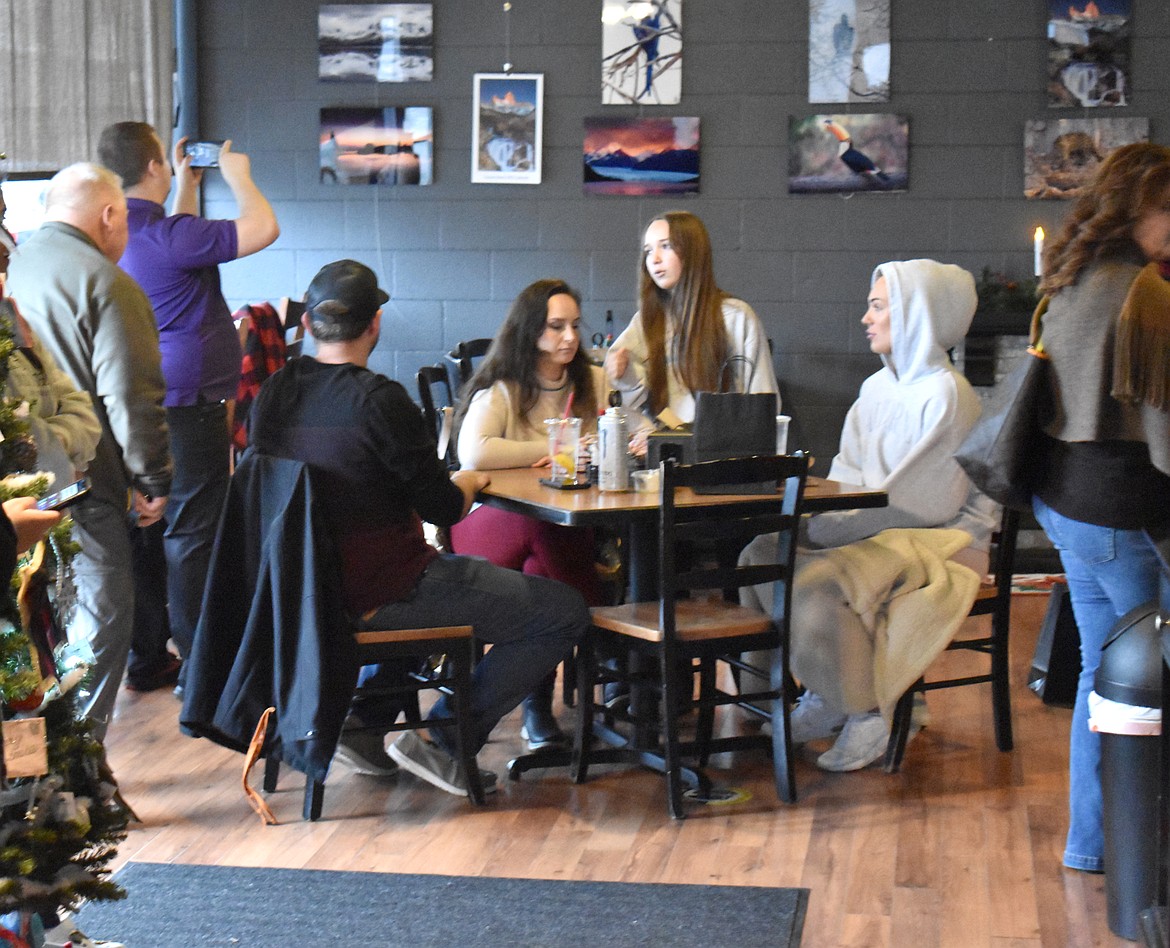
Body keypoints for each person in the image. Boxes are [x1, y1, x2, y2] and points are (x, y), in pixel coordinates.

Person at [246, 259, 588, 795]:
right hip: (381, 591)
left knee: (456, 578)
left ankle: (365, 725)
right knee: (563, 612)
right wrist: (471, 481)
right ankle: (446, 740)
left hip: (295, 594)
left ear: (308, 326)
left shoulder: (273, 395)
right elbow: (443, 509)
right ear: (376, 324)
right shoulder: (380, 401)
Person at [740, 259, 996, 772]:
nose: (865, 317)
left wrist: (831, 526)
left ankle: (864, 711)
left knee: (819, 581)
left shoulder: (948, 394)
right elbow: (848, 474)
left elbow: (927, 501)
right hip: (876, 526)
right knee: (760, 553)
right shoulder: (875, 390)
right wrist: (824, 518)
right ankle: (826, 689)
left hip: (941, 538)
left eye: (878, 306)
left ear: (916, 314)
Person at [97, 122, 279, 693]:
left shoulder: (127, 233)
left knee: (151, 527)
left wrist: (188, 185)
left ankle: (150, 657)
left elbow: (181, 232)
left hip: (138, 400)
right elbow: (264, 227)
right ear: (154, 166)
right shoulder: (169, 235)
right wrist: (238, 178)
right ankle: (206, 670)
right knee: (193, 532)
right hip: (188, 404)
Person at [1031, 142, 1170, 874]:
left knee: (1102, 675)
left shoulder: (1071, 279)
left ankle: (1091, 844)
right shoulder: (1144, 291)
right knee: (1153, 683)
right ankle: (1147, 856)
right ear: (1135, 208)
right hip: (1125, 514)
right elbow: (1164, 430)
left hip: (1067, 505)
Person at [6, 163, 172, 738]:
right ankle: (78, 760)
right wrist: (153, 478)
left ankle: (34, 762)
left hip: (14, 488)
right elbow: (132, 394)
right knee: (101, 617)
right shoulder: (107, 283)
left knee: (31, 628)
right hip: (83, 481)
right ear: (109, 216)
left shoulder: (13, 266)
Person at [451, 278, 608, 750]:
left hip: (557, 533)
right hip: (489, 526)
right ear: (529, 330)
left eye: (574, 326)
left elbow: (600, 447)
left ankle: (537, 706)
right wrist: (555, 447)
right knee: (544, 525)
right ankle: (605, 632)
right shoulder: (504, 387)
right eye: (555, 326)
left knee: (547, 566)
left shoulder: (592, 380)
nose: (569, 337)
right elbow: (473, 453)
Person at [605, 209, 778, 445]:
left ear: (692, 251)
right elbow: (627, 410)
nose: (654, 259)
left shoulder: (736, 317)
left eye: (665, 246)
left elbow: (764, 406)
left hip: (723, 459)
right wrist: (623, 375)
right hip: (665, 461)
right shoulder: (645, 322)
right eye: (648, 251)